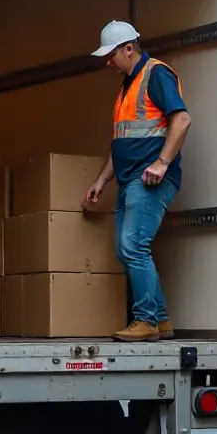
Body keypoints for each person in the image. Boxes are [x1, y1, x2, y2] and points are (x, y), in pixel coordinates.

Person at [84, 20, 192, 342]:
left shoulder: (155, 74)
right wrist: (102, 180)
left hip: (149, 178)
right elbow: (122, 140)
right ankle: (159, 320)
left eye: (111, 54)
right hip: (129, 177)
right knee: (125, 248)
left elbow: (182, 119)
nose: (108, 62)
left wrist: (162, 163)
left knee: (133, 246)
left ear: (129, 48)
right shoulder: (128, 86)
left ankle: (144, 320)